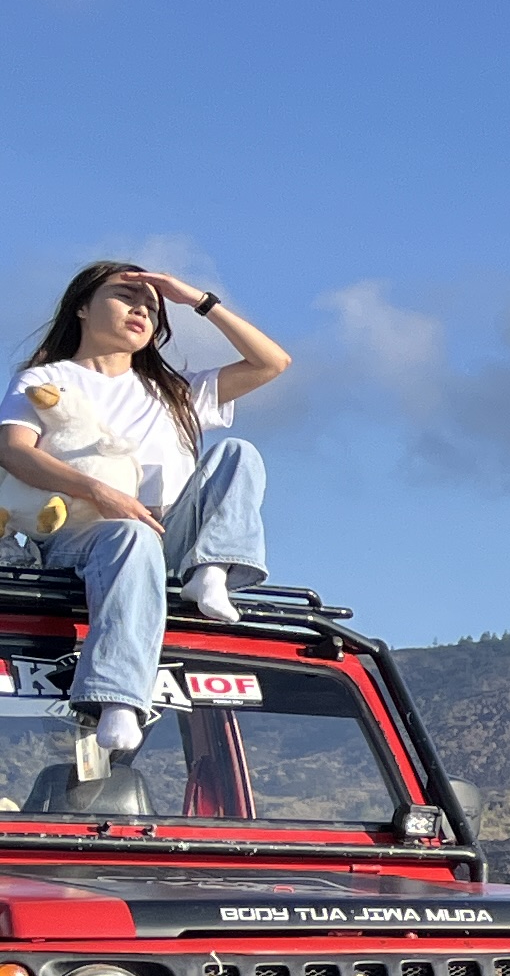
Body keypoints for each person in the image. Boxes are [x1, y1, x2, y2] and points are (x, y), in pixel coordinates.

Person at [0, 262, 293, 763]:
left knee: (239, 454)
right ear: (82, 308)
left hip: (166, 537)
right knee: (129, 535)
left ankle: (210, 570)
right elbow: (13, 450)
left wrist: (195, 299)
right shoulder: (46, 379)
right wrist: (98, 491)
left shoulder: (174, 391)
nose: (142, 309)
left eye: (151, 306)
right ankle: (117, 697)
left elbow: (273, 363)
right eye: (125, 296)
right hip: (82, 540)